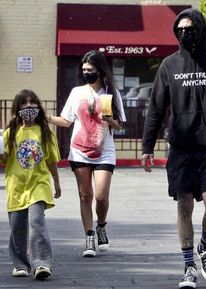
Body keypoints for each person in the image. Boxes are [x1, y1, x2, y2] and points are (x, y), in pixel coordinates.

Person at [141, 8, 206, 289]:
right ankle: (188, 266)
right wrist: (147, 146)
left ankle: (204, 248)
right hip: (180, 149)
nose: (184, 34)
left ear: (200, 30)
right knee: (183, 207)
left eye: (189, 29)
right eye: (179, 30)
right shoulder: (169, 65)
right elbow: (156, 107)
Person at [48, 50, 126, 257]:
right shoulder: (77, 93)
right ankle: (89, 236)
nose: (86, 73)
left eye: (90, 70)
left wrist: (105, 116)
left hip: (104, 151)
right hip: (80, 150)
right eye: (83, 70)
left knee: (100, 197)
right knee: (85, 196)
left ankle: (101, 225)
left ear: (100, 70)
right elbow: (66, 121)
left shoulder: (112, 93)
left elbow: (119, 126)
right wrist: (45, 117)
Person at [0, 89, 61, 280]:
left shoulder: (45, 132)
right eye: (24, 104)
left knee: (36, 222)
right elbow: (4, 160)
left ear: (38, 107)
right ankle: (20, 264)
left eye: (32, 104)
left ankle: (41, 263)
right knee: (17, 225)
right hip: (17, 186)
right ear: (17, 109)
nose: (28, 108)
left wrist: (56, 182)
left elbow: (51, 160)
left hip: (38, 184)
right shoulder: (11, 133)